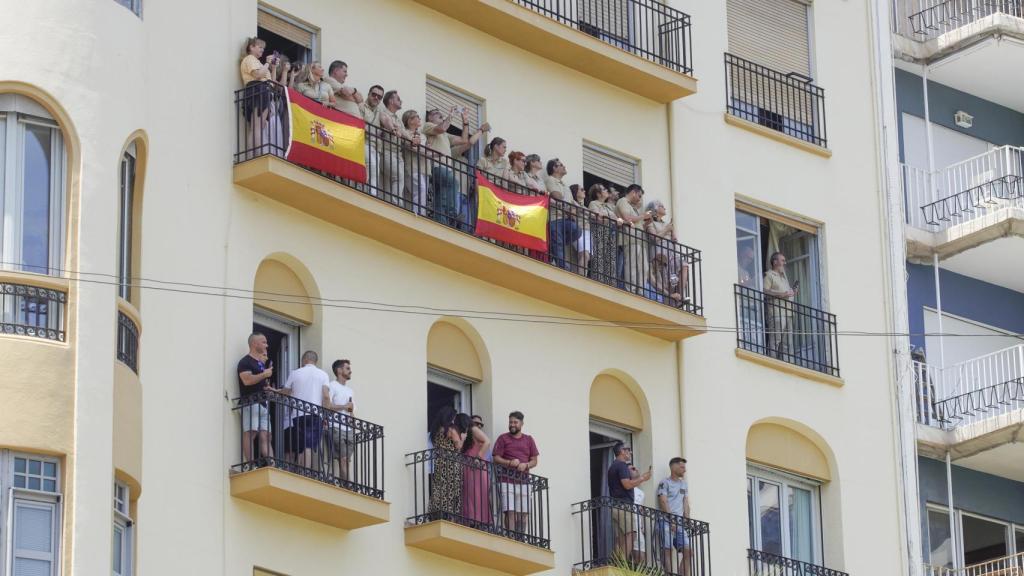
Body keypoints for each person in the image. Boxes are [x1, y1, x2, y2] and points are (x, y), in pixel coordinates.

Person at [278, 350, 330, 470]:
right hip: (315, 414)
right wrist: (326, 416)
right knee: (308, 445)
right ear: (315, 361)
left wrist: (274, 391)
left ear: (304, 360)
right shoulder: (323, 375)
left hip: (298, 414)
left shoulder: (295, 373)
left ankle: (301, 470)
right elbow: (326, 396)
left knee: (301, 444)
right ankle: (306, 472)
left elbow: (285, 392)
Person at [492, 411, 539, 534]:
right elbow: (496, 458)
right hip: (506, 481)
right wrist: (509, 463)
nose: (512, 424)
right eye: (510, 422)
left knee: (523, 514)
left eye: (515, 422)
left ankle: (520, 538)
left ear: (522, 423)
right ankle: (512, 537)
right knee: (510, 512)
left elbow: (534, 461)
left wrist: (526, 465)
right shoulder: (503, 438)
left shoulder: (529, 440)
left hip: (524, 482)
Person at [607, 442, 651, 560]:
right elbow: (626, 485)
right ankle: (621, 565)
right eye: (628, 450)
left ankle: (617, 563)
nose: (630, 452)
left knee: (621, 538)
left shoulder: (612, 466)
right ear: (622, 451)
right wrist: (643, 478)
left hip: (615, 506)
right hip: (624, 507)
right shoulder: (621, 465)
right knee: (632, 534)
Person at [237, 332, 275, 466]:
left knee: (267, 435)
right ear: (254, 343)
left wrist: (268, 388)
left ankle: (272, 465)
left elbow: (259, 382)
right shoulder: (245, 361)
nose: (267, 344)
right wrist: (264, 374)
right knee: (251, 432)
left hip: (263, 404)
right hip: (250, 403)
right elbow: (247, 381)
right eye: (263, 342)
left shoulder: (260, 363)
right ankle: (251, 464)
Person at [646, 200, 689, 307]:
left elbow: (674, 239)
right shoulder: (650, 223)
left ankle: (680, 295)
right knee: (665, 277)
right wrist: (667, 229)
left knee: (684, 266)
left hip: (671, 251)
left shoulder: (667, 224)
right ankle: (670, 300)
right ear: (655, 210)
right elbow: (654, 238)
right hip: (660, 252)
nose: (664, 208)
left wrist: (673, 234)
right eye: (662, 206)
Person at [422, 108, 462, 227]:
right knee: (453, 182)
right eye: (437, 114)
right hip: (437, 166)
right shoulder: (428, 125)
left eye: (441, 114)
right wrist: (450, 116)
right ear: (430, 117)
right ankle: (451, 213)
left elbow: (464, 140)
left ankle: (442, 220)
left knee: (440, 194)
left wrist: (465, 122)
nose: (441, 116)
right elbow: (441, 128)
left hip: (444, 168)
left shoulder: (445, 135)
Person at [428, 406, 467, 520]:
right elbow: (458, 446)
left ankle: (437, 513)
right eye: (454, 417)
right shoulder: (451, 429)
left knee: (440, 488)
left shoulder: (436, 431)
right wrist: (463, 438)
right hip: (451, 463)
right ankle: (450, 515)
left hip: (440, 463)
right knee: (452, 489)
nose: (455, 420)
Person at [239, 38, 275, 155]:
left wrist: (273, 68)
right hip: (257, 90)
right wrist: (268, 63)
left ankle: (254, 155)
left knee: (257, 126)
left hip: (263, 91)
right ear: (251, 47)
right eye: (259, 47)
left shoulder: (259, 63)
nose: (262, 50)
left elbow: (273, 83)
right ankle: (257, 156)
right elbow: (258, 75)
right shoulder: (250, 59)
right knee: (257, 126)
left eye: (263, 48)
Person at [657, 457, 691, 576]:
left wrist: (687, 518)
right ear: (673, 467)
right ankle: (669, 574)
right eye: (682, 467)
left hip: (680, 523)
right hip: (666, 521)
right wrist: (671, 520)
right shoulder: (664, 482)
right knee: (668, 549)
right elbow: (663, 501)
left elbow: (685, 502)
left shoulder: (684, 484)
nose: (684, 470)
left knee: (689, 551)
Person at [324, 359, 356, 483]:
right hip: (336, 426)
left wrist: (352, 414)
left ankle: (347, 484)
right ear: (339, 370)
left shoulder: (350, 391)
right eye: (347, 368)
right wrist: (344, 406)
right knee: (342, 458)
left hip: (348, 428)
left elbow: (351, 410)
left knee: (347, 459)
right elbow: (327, 405)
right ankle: (347, 485)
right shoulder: (332, 386)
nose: (350, 371)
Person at [617, 185, 652, 294]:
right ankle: (630, 291)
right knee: (631, 265)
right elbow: (627, 219)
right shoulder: (623, 201)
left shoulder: (634, 208)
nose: (639, 199)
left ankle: (641, 292)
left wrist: (646, 223)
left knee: (644, 268)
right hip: (630, 239)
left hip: (640, 241)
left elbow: (638, 223)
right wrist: (643, 216)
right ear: (633, 192)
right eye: (639, 195)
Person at [545, 159, 580, 269]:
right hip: (555, 218)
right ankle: (563, 267)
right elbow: (556, 196)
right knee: (558, 243)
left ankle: (552, 249)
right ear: (554, 168)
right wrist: (570, 210)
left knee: (577, 230)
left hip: (566, 218)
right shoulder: (551, 180)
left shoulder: (565, 185)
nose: (564, 166)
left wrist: (573, 211)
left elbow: (573, 204)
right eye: (561, 165)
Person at [764, 251, 797, 359]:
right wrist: (782, 294)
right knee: (775, 340)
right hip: (777, 313)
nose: (785, 263)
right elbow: (765, 292)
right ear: (774, 262)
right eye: (782, 260)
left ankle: (787, 365)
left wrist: (792, 292)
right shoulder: (769, 275)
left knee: (787, 343)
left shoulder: (783, 278)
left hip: (788, 312)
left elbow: (786, 294)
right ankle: (771, 362)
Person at [587, 183, 621, 285]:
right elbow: (598, 217)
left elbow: (617, 220)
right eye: (604, 189)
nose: (607, 191)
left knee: (611, 259)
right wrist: (611, 218)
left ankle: (611, 283)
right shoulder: (593, 203)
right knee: (599, 257)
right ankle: (599, 282)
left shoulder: (608, 207)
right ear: (598, 194)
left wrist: (608, 217)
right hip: (600, 232)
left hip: (611, 233)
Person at [461, 412, 491, 527]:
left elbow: (487, 441)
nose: (478, 426)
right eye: (476, 423)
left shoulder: (473, 429)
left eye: (480, 424)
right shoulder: (467, 434)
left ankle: (478, 524)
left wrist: (478, 457)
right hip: (468, 469)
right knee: (469, 496)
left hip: (477, 468)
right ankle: (471, 523)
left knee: (478, 496)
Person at [378, 90, 408, 203]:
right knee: (398, 177)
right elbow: (387, 122)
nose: (401, 101)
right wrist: (394, 129)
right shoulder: (383, 112)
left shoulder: (398, 118)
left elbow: (404, 132)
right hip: (387, 151)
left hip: (398, 154)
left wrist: (412, 139)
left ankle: (389, 204)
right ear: (391, 101)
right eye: (398, 99)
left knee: (390, 181)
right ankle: (396, 204)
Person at [358, 84, 385, 194]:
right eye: (374, 94)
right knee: (371, 167)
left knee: (375, 172)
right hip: (364, 142)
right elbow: (360, 123)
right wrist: (375, 132)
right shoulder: (361, 106)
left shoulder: (379, 112)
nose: (376, 98)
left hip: (376, 147)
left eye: (379, 97)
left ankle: (371, 194)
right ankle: (370, 194)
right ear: (369, 94)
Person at [401, 109, 429, 216]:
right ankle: (419, 215)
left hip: (423, 168)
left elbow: (421, 150)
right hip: (411, 167)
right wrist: (430, 153)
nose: (420, 118)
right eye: (417, 116)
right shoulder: (406, 133)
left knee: (421, 193)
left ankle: (415, 214)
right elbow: (414, 148)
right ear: (410, 120)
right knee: (420, 189)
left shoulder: (422, 136)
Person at [571, 184, 592, 274]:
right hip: (579, 230)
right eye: (582, 190)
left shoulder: (585, 207)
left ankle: (583, 277)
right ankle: (580, 278)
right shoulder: (572, 202)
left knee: (586, 257)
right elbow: (572, 215)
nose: (584, 191)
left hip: (587, 231)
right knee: (584, 254)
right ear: (575, 192)